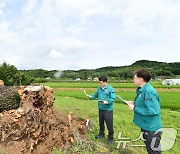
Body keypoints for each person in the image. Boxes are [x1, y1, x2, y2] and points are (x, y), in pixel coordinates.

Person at [127, 69, 162, 154]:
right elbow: (145, 103)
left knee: (154, 151)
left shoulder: (148, 91)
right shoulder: (142, 89)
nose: (133, 79)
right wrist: (134, 103)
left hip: (151, 128)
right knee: (150, 149)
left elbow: (153, 110)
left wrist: (134, 108)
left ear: (140, 79)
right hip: (146, 125)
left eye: (134, 77)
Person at [88, 76, 116, 144]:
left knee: (109, 124)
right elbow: (96, 95)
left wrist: (107, 102)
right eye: (99, 83)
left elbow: (113, 98)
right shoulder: (99, 88)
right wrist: (91, 97)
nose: (100, 84)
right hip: (101, 109)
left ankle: (110, 138)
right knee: (101, 123)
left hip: (108, 110)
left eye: (101, 83)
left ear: (105, 82)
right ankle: (101, 134)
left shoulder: (110, 89)